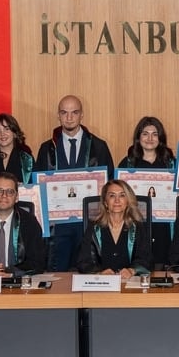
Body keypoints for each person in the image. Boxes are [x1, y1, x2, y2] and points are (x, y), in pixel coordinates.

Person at [34, 95, 114, 271]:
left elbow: (110, 185)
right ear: (58, 115)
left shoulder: (99, 147)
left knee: (90, 275)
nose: (69, 117)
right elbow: (37, 190)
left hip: (89, 224)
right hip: (58, 227)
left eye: (74, 112)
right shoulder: (46, 149)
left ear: (82, 115)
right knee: (57, 278)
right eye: (64, 112)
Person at [76, 180, 151, 278]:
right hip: (101, 285)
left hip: (130, 285)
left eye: (122, 195)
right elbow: (83, 262)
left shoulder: (137, 227)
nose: (117, 200)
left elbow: (146, 259)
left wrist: (132, 270)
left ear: (128, 201)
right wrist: (99, 273)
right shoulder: (94, 228)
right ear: (105, 202)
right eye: (112, 196)